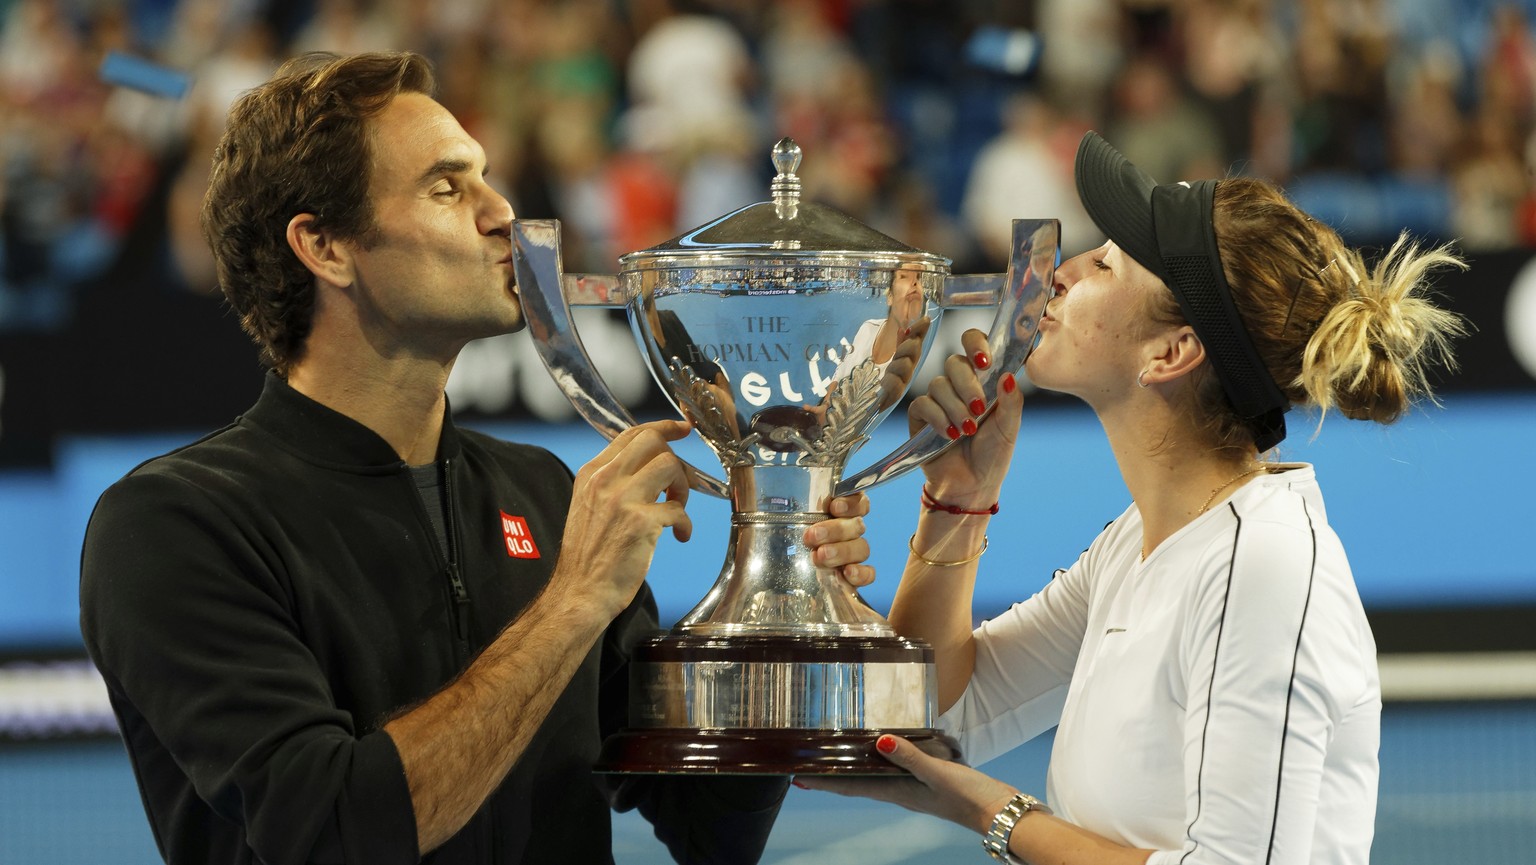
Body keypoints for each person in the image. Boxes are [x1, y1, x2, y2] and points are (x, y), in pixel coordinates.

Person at [78, 51, 876, 865]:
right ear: (324, 247)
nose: (501, 211)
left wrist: (782, 597)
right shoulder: (175, 525)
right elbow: (329, 831)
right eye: (446, 187)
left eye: (486, 177)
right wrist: (569, 604)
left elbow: (711, 823)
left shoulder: (538, 491)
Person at [798, 131, 1467, 864]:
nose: (1063, 272)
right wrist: (959, 500)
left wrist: (993, 810)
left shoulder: (1261, 567)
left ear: (1170, 353)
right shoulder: (1139, 543)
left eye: (1106, 262)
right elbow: (941, 707)